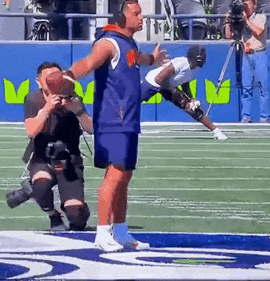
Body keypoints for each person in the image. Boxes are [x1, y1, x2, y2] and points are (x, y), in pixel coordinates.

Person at [61, 0, 165, 252]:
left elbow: (137, 58)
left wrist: (153, 58)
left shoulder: (128, 43)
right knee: (115, 175)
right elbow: (88, 63)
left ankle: (120, 230)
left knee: (125, 176)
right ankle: (102, 232)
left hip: (128, 120)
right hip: (112, 120)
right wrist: (68, 76)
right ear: (121, 16)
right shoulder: (109, 43)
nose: (141, 17)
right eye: (136, 13)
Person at [6, 62, 93, 232]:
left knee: (76, 219)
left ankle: (78, 210)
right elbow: (31, 131)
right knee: (41, 185)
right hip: (42, 156)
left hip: (69, 159)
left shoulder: (73, 98)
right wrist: (47, 109)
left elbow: (91, 129)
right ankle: (53, 214)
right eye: (49, 78)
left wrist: (79, 111)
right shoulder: (34, 99)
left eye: (58, 76)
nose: (54, 81)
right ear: (39, 82)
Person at [142, 45, 228, 140]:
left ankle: (216, 131)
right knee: (134, 102)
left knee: (192, 108)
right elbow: (159, 79)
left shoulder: (194, 68)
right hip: (153, 82)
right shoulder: (181, 63)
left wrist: (190, 99)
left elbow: (184, 82)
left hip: (168, 86)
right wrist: (174, 91)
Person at [225, 0, 270, 123]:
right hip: (246, 55)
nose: (246, 7)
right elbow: (229, 36)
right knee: (246, 87)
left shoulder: (261, 17)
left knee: (263, 87)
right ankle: (246, 116)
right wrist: (228, 22)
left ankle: (264, 117)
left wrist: (247, 22)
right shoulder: (240, 19)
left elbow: (259, 33)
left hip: (259, 53)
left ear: (254, 6)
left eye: (248, 4)